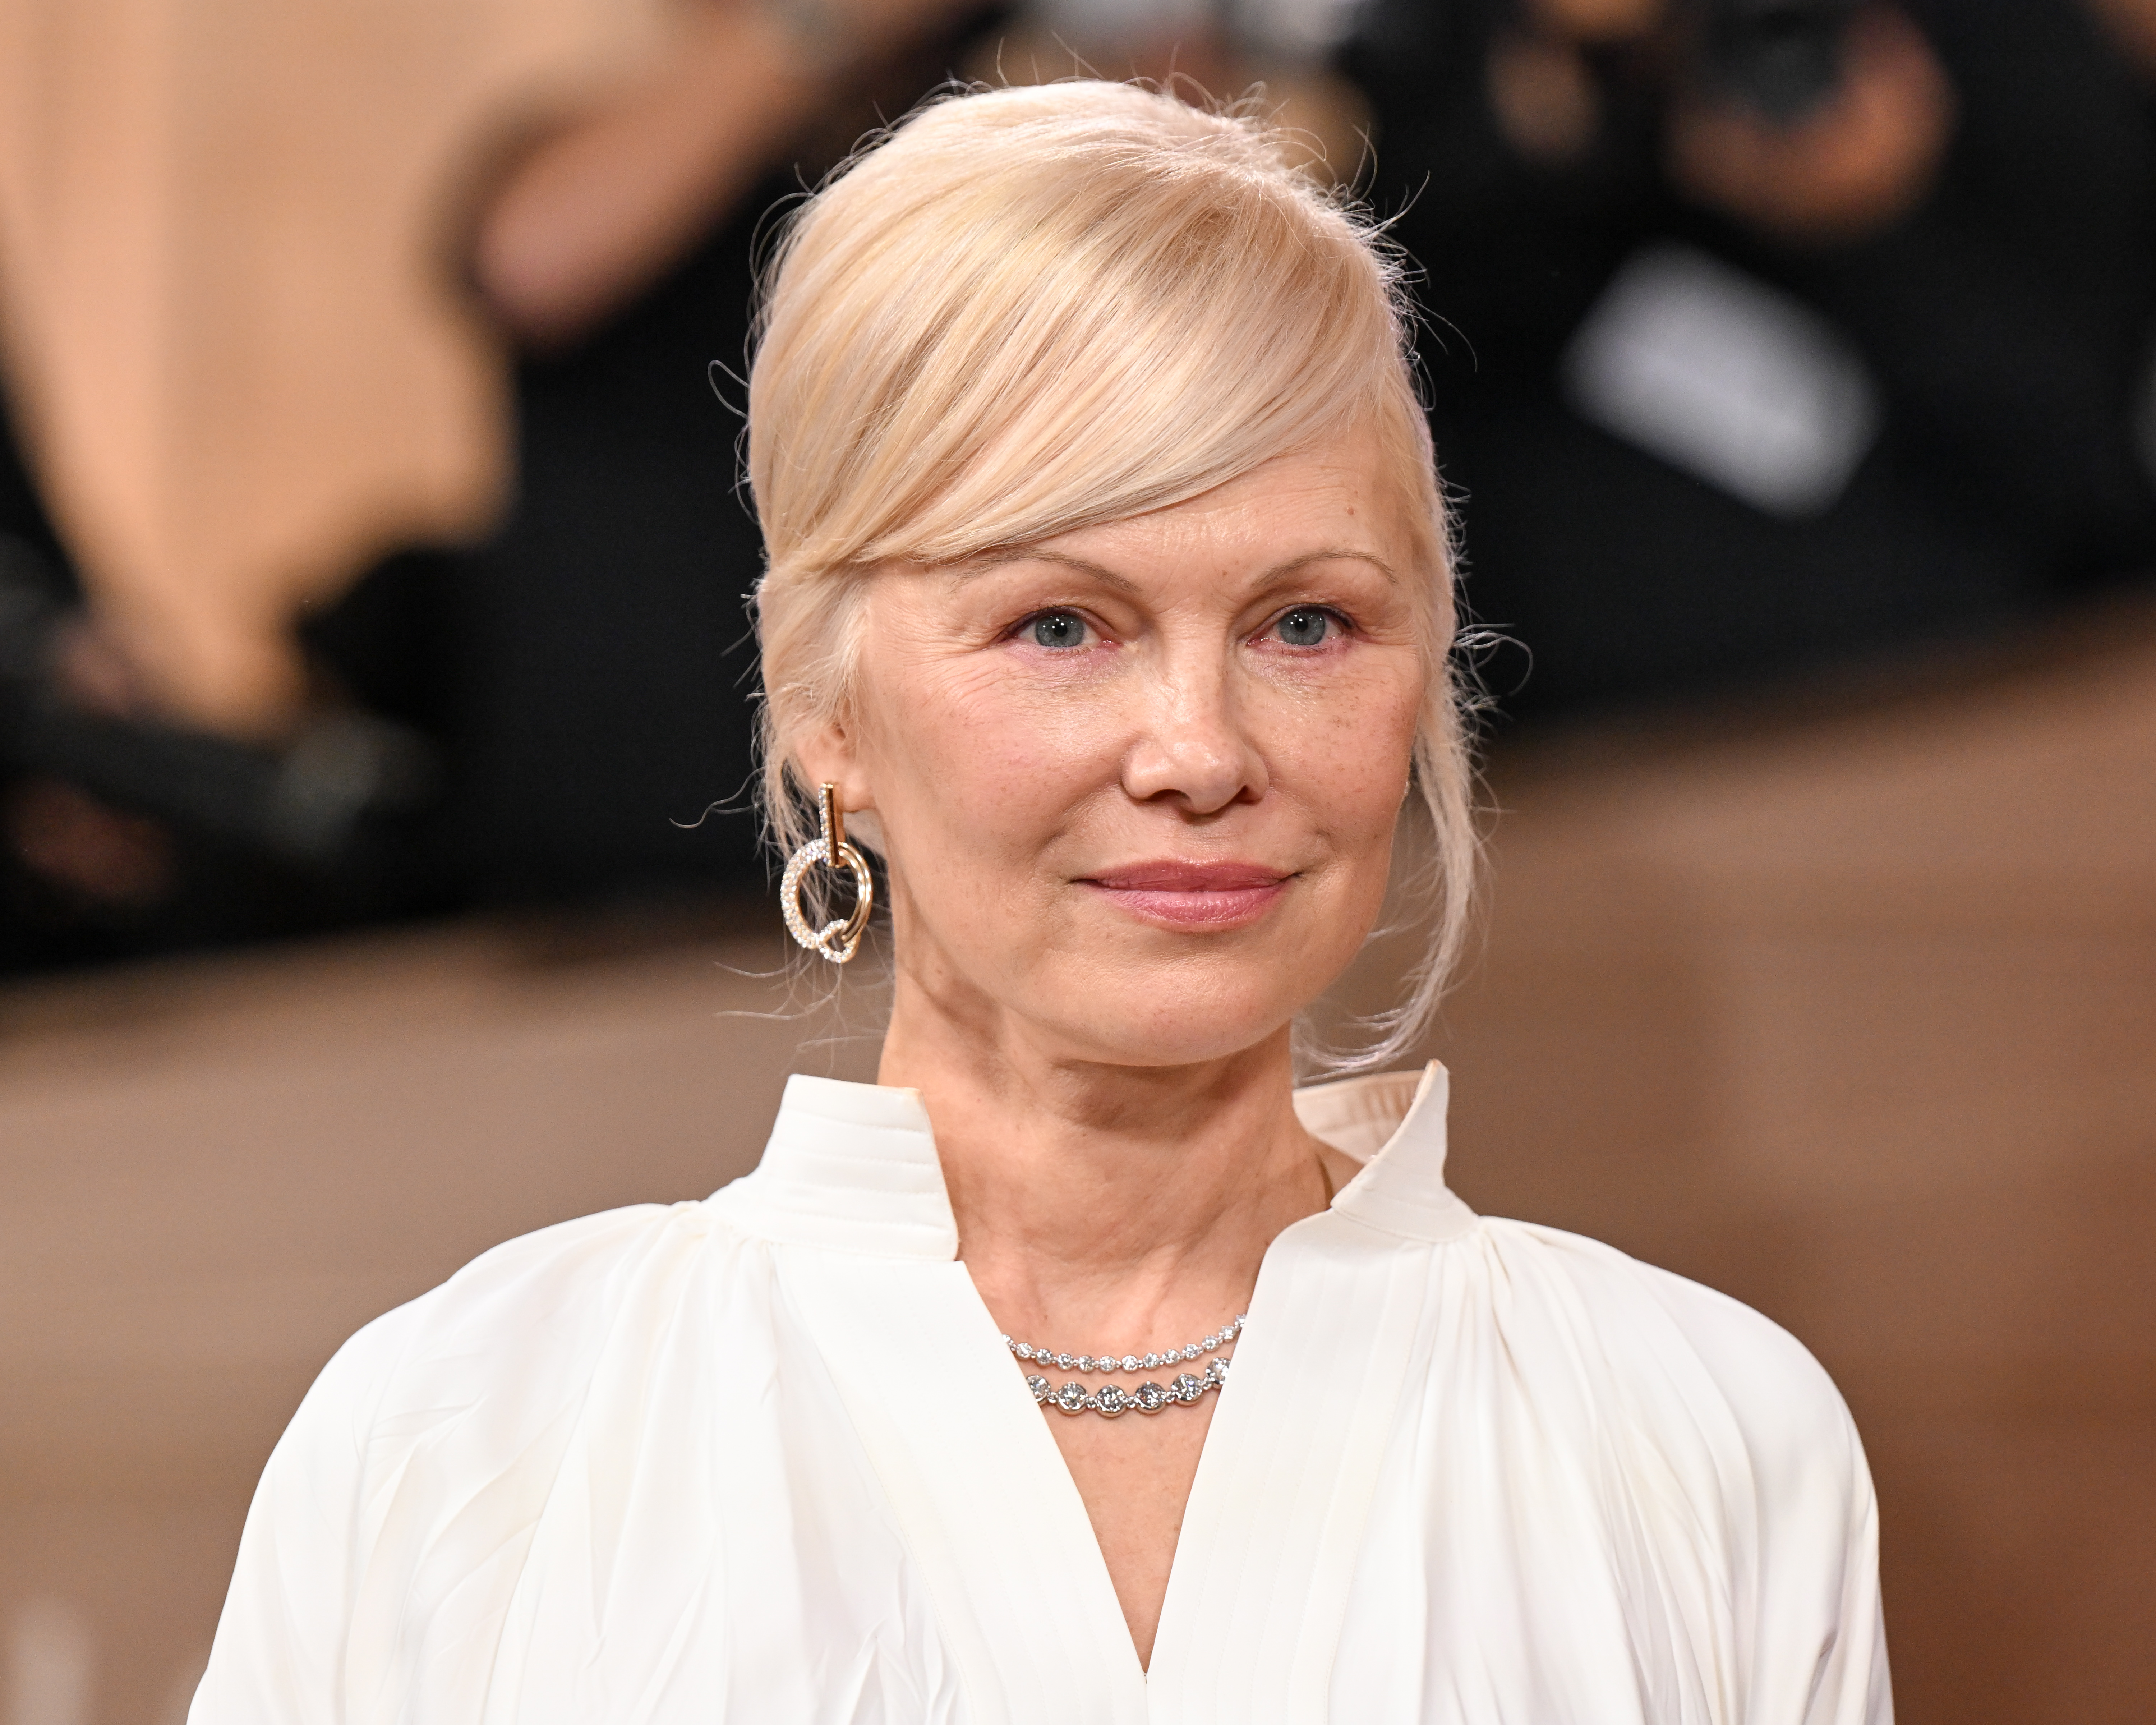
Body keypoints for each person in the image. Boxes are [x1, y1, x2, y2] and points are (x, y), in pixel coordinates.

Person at [189, 82, 1888, 1722]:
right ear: (825, 710)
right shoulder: (466, 1440)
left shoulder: (1705, 1441)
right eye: (1060, 626)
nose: (1201, 751)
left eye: (1306, 625)